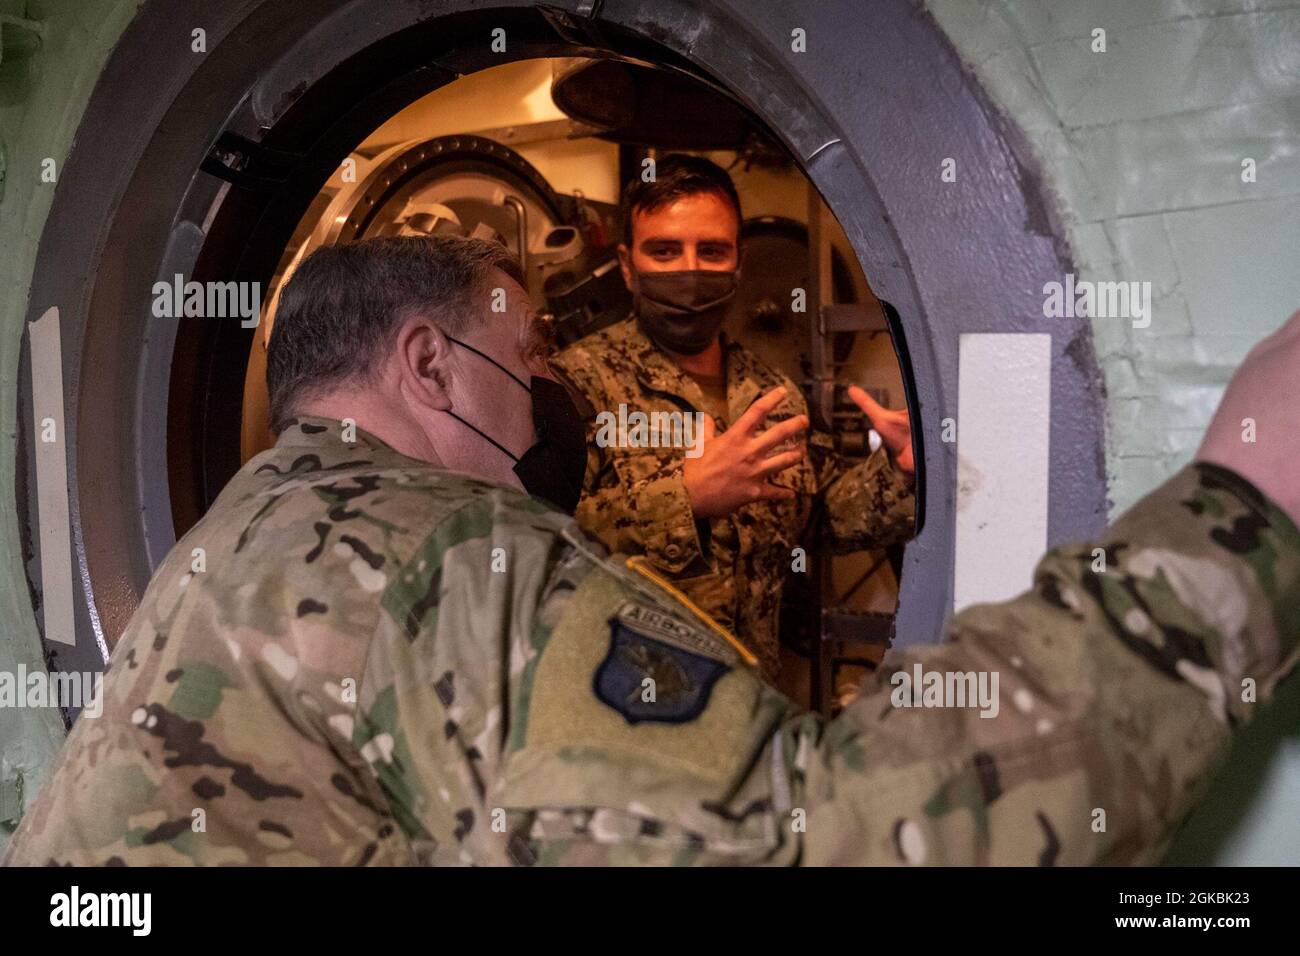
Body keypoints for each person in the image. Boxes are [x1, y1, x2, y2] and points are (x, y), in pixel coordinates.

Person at [3, 234, 1296, 866]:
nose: (546, 396)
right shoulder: (435, 549)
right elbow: (803, 843)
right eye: (523, 368)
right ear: (426, 364)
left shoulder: (228, 534)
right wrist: (1243, 515)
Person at [550, 154, 915, 683]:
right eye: (665, 251)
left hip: (755, 710)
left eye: (712, 251)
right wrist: (685, 499)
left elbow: (820, 518)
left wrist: (899, 473)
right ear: (628, 266)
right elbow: (535, 541)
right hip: (631, 720)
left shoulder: (771, 391)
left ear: (739, 262)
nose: (689, 273)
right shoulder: (574, 387)